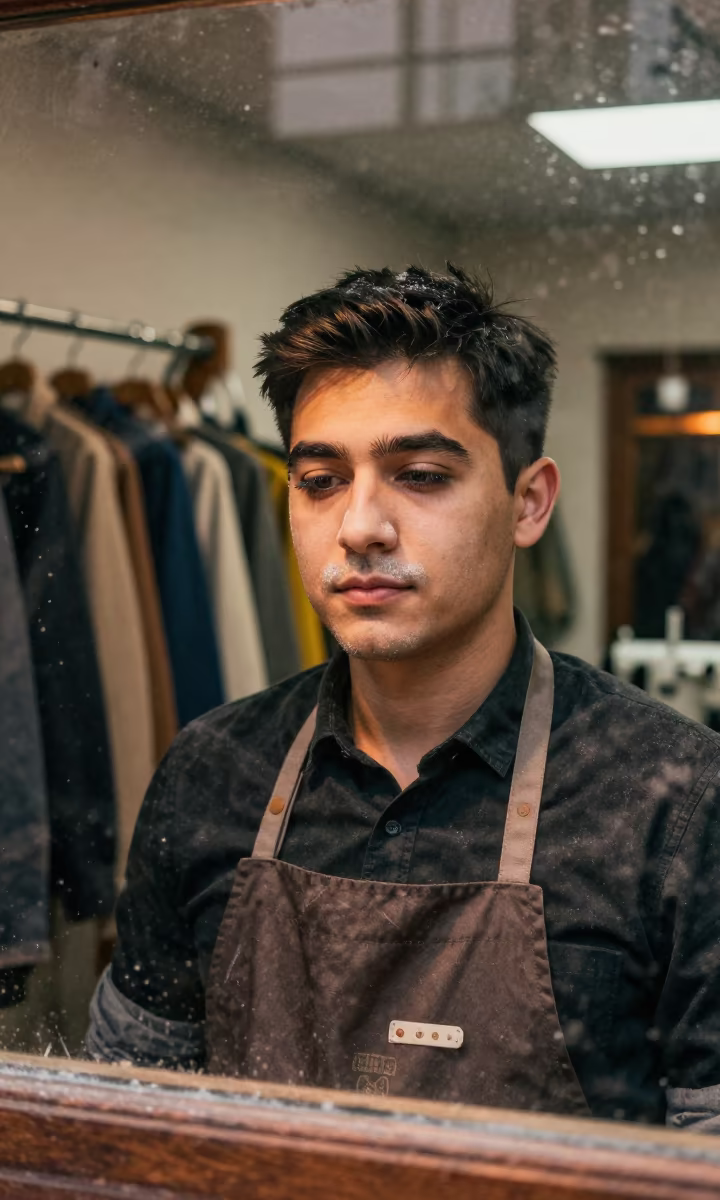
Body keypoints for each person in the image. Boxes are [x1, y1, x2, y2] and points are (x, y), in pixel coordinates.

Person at [87, 264, 720, 1129]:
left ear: (527, 502)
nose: (359, 526)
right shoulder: (213, 772)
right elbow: (123, 1123)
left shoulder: (674, 800)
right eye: (320, 480)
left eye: (420, 474)